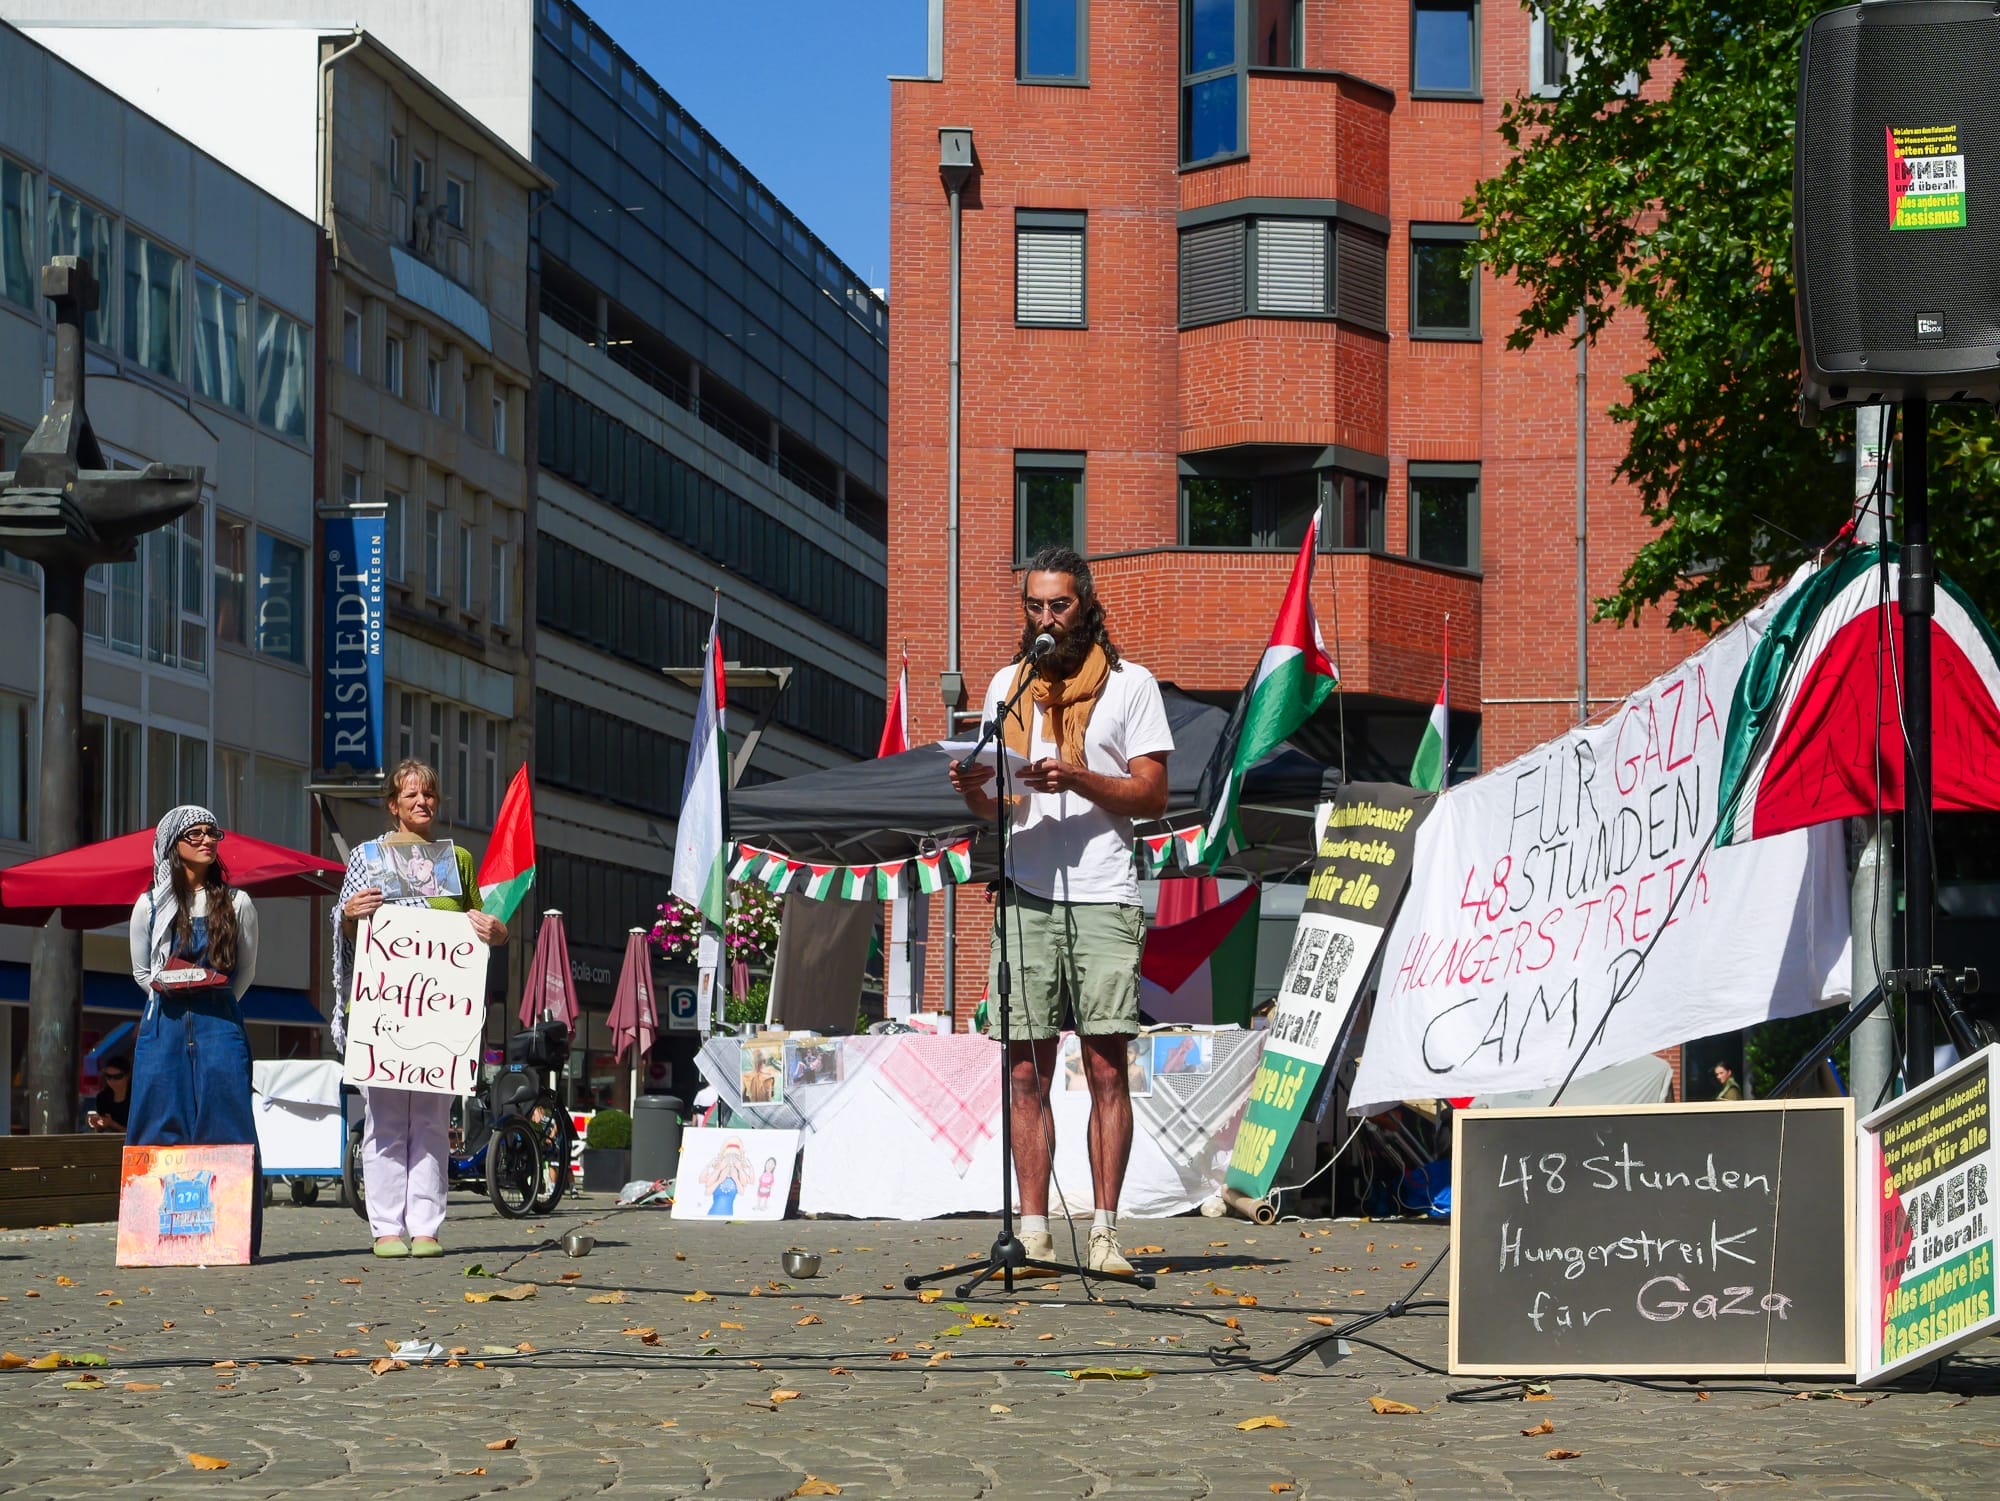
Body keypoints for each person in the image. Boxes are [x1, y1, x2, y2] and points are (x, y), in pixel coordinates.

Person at [947, 546, 1172, 1276]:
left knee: (1107, 1067)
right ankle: (1035, 1232)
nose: (1047, 619)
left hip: (1104, 891)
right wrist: (974, 793)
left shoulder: (1131, 685)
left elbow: (1153, 794)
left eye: (1060, 606)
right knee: (1023, 1073)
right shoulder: (1006, 687)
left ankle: (1105, 1232)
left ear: (1086, 605)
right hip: (1025, 892)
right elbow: (1004, 807)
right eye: (1035, 607)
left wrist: (1077, 775)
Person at [331, 760, 508, 1258]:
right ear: (393, 805)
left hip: (439, 1015)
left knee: (432, 1121)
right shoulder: (367, 857)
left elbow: (484, 925)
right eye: (410, 796)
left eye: (428, 795)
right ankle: (386, 1226)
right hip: (385, 1011)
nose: (421, 803)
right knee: (385, 1120)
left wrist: (499, 932)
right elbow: (347, 928)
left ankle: (427, 1225)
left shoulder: (460, 862)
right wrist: (349, 914)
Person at [125, 805, 262, 1256]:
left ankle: (230, 1239)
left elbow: (244, 973)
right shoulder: (148, 905)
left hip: (219, 1021)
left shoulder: (238, 903)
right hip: (162, 1022)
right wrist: (176, 987)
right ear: (172, 845)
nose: (207, 840)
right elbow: (143, 972)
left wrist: (212, 1004)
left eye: (212, 833)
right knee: (157, 1117)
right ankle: (151, 1240)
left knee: (228, 1121)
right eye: (195, 833)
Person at [87, 1056, 131, 1132]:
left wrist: (112, 1124)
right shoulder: (103, 1098)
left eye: (117, 1077)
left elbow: (138, 1135)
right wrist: (97, 1123)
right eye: (108, 1077)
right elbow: (101, 1130)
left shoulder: (136, 1098)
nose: (112, 1081)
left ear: (127, 1076)